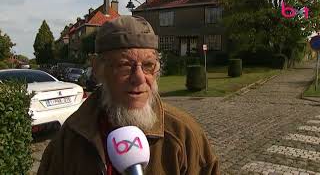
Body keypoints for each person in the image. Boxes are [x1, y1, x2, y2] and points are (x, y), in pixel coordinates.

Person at [37, 15, 220, 175]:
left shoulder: (184, 135)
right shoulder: (70, 139)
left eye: (148, 66)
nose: (139, 78)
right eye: (124, 65)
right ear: (98, 68)